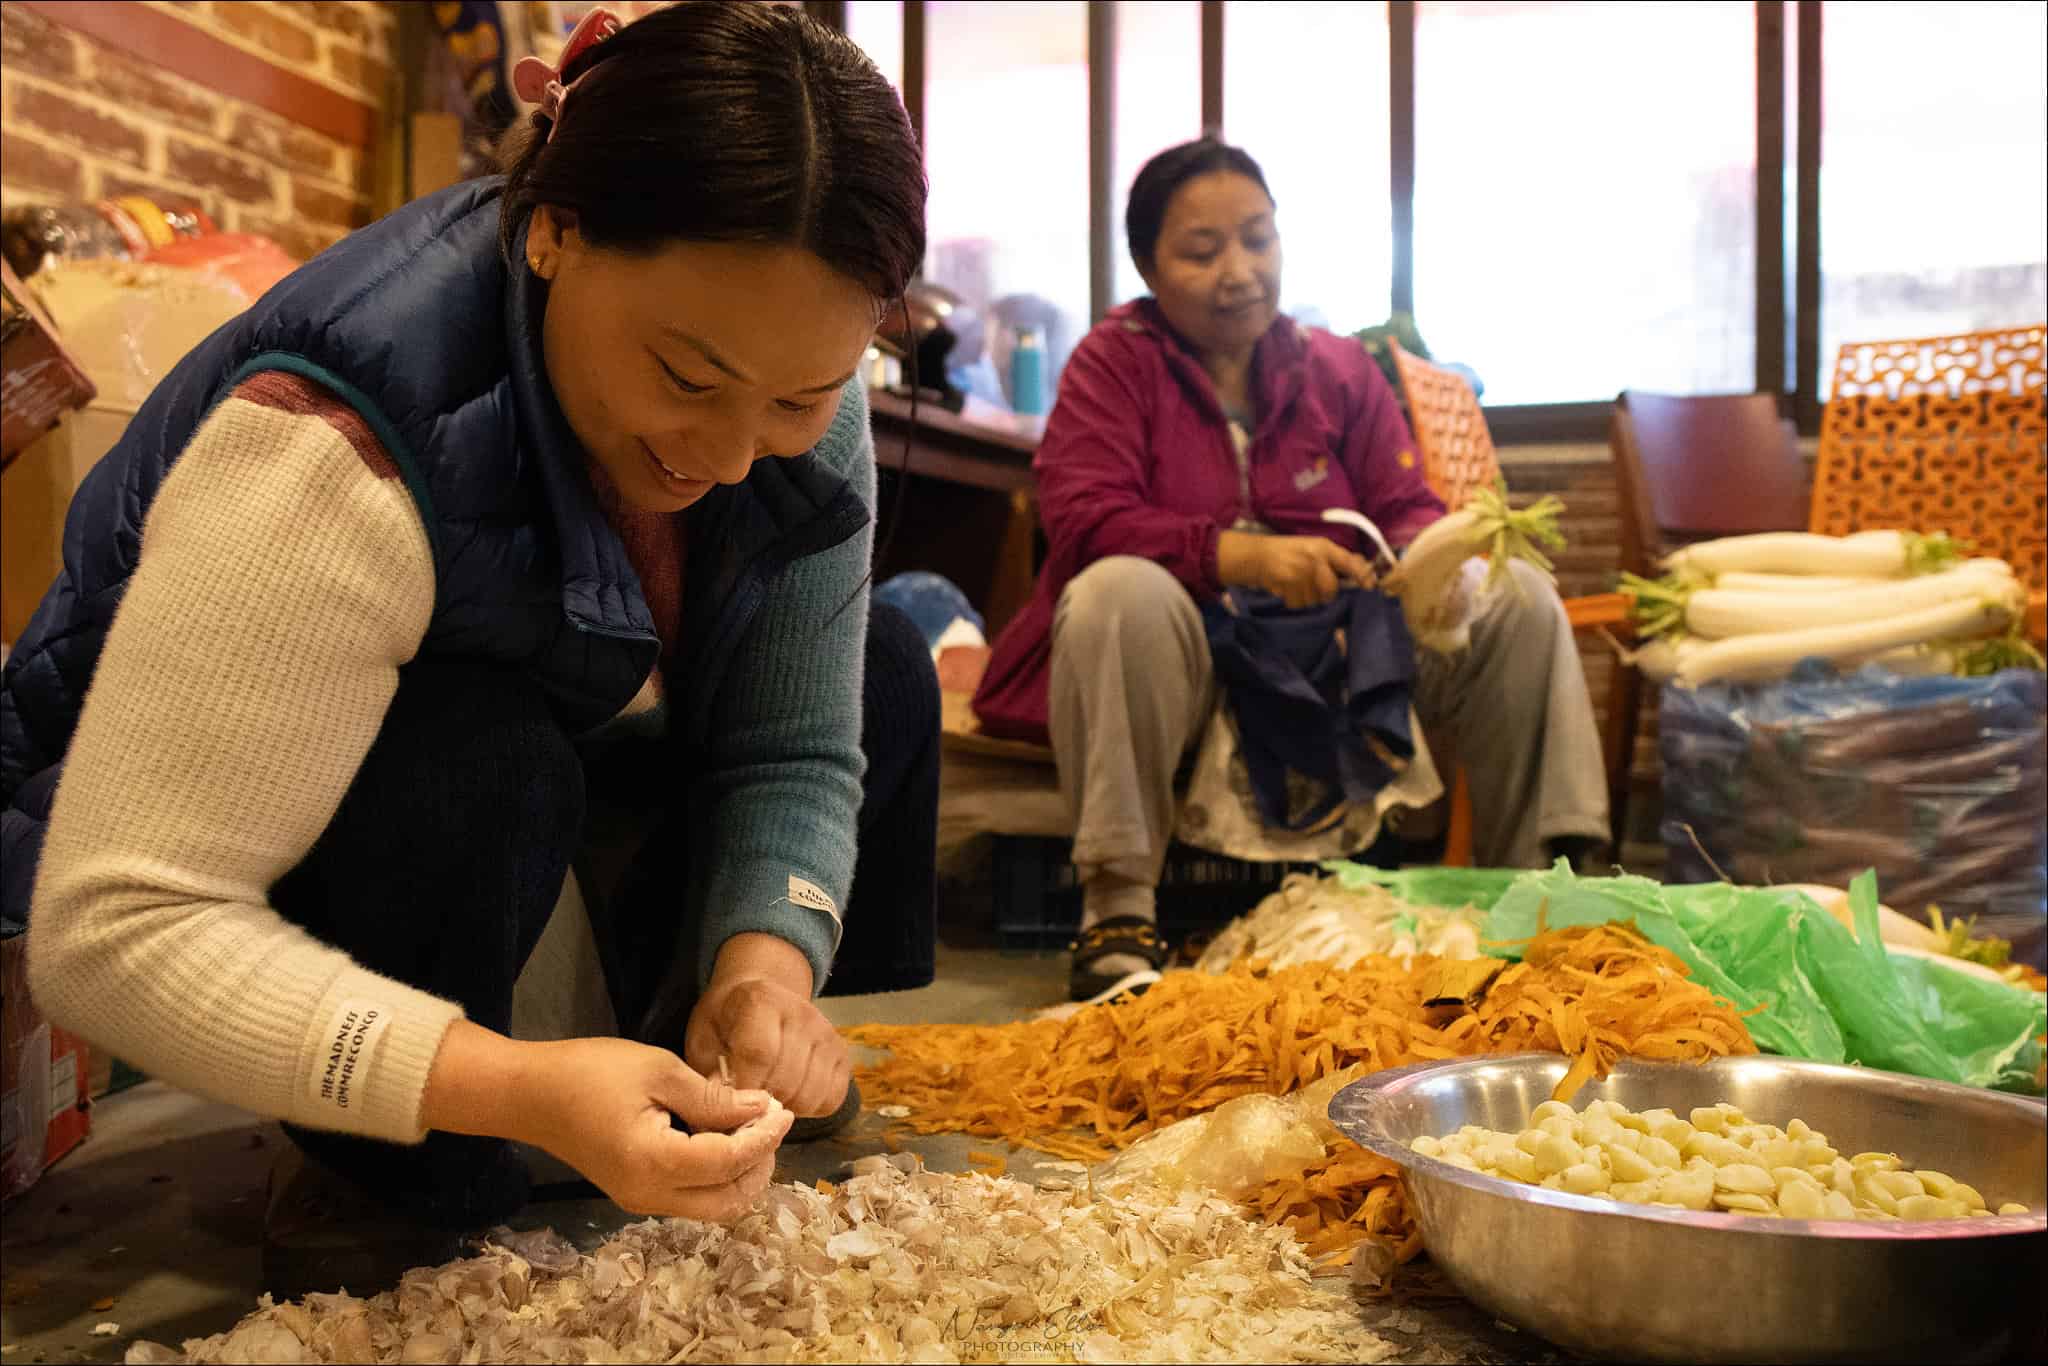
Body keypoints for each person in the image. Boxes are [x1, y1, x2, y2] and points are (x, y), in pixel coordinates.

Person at [0, 2, 936, 1298]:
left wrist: (761, 963)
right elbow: (112, 927)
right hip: (261, 840)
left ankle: (663, 1062)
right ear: (552, 231)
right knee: (470, 748)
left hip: (562, 770)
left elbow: (794, 745)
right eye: (686, 374)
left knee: (886, 658)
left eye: (801, 394)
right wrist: (506, 1084)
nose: (726, 453)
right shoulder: (343, 432)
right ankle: (402, 1157)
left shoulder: (788, 421)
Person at [971, 138, 1609, 1001]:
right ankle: (1118, 910)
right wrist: (1241, 555)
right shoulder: (1111, 366)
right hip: (1189, 669)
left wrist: (1436, 561)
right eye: (1202, 251)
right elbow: (1082, 518)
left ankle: (1546, 897)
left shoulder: (1337, 369)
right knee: (1116, 588)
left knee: (1519, 598)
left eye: (1258, 239)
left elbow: (1406, 503)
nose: (1239, 271)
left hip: (1337, 667)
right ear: (1149, 267)